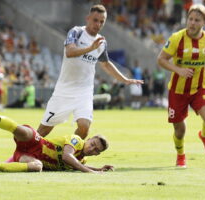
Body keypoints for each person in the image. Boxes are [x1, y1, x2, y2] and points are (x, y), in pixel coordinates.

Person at [38, 5, 143, 139]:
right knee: (44, 130)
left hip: (84, 92)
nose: (98, 24)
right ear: (88, 18)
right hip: (64, 91)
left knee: (84, 128)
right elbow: (70, 52)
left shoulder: (102, 43)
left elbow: (105, 63)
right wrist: (90, 48)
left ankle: (68, 153)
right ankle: (24, 151)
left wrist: (125, 79)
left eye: (102, 22)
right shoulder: (76, 32)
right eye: (95, 20)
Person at [157, 4, 205, 168]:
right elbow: (161, 59)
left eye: (196, 20)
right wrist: (179, 70)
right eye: (190, 19)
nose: (192, 23)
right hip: (177, 91)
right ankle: (181, 155)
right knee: (180, 130)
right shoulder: (176, 38)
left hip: (199, 88)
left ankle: (204, 136)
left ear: (204, 23)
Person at [0, 109, 114, 173]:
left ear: (97, 154)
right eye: (92, 144)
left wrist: (98, 169)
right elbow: (67, 156)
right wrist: (89, 171)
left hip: (30, 157)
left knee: (37, 167)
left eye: (96, 150)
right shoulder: (76, 141)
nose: (91, 148)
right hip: (37, 143)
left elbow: (78, 165)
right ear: (88, 139)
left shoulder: (83, 161)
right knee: (21, 131)